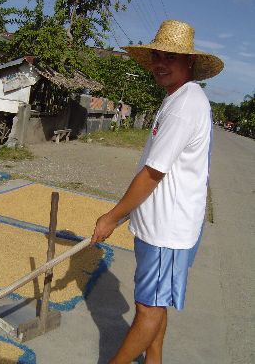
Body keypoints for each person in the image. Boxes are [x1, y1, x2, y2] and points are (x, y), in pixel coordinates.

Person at [90, 20, 224, 364]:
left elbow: (152, 173)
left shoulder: (185, 105)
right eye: (156, 56)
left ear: (189, 63)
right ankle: (154, 360)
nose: (160, 64)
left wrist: (112, 216)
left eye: (171, 57)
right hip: (156, 227)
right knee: (152, 302)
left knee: (148, 310)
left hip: (168, 231)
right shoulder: (176, 98)